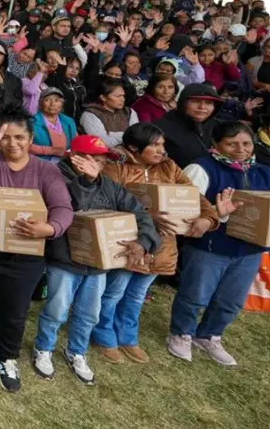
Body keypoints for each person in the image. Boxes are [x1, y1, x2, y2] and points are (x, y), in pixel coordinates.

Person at [0, 108, 74, 393]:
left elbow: (63, 208)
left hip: (25, 255)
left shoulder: (47, 171)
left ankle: (7, 358)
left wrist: (49, 229)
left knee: (14, 312)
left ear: (31, 138)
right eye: (5, 138)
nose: (13, 144)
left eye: (20, 137)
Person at [33, 135, 158, 386]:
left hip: (98, 265)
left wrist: (144, 242)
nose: (100, 164)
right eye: (94, 158)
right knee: (57, 309)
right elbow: (70, 208)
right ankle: (44, 348)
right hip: (64, 260)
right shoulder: (54, 177)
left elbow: (139, 213)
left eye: (102, 160)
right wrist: (87, 181)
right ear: (76, 157)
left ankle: (77, 352)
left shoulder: (109, 185)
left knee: (90, 312)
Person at [98, 123, 218, 364]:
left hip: (162, 246)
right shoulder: (116, 167)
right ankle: (104, 335)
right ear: (134, 147)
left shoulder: (170, 167)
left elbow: (194, 195)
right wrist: (146, 215)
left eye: (162, 144)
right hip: (129, 244)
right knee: (114, 292)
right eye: (155, 145)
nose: (161, 150)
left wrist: (208, 217)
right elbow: (107, 201)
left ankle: (128, 337)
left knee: (138, 294)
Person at [171, 121, 270, 366]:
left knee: (232, 299)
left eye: (246, 143)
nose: (241, 149)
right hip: (211, 245)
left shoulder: (264, 172)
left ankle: (209, 336)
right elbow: (184, 208)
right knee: (195, 293)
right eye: (232, 143)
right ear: (216, 144)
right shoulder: (202, 168)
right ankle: (181, 333)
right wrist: (217, 213)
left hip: (249, 249)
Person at [155, 83, 222, 168]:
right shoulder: (160, 129)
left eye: (208, 103)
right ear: (183, 103)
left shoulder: (219, 127)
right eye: (196, 101)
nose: (202, 107)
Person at [80, 79, 138, 148]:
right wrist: (126, 137)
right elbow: (101, 141)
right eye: (118, 96)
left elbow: (137, 136)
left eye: (123, 96)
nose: (122, 99)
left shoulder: (129, 112)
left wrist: (110, 134)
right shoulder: (91, 115)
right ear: (103, 97)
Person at [30, 88, 77, 162]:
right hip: (40, 163)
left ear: (62, 103)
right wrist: (52, 151)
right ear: (40, 103)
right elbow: (23, 146)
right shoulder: (31, 122)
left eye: (57, 100)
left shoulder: (69, 121)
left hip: (66, 162)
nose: (52, 104)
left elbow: (76, 141)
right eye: (47, 100)